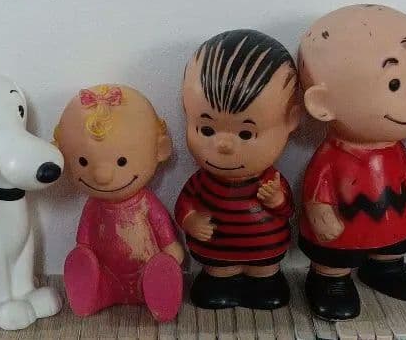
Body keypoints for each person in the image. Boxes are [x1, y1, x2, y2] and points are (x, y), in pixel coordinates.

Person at [298, 4, 406, 320]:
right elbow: (317, 189)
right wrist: (321, 212)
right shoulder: (331, 156)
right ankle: (330, 279)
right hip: (342, 230)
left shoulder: (396, 150)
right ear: (322, 104)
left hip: (391, 219)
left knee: (393, 246)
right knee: (333, 257)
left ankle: (387, 268)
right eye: (394, 84)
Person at [175, 29, 301, 310]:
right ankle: (220, 281)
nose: (223, 145)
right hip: (216, 253)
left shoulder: (272, 180)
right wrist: (190, 220)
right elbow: (185, 204)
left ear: (291, 120)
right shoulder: (200, 182)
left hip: (265, 252)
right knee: (219, 275)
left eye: (246, 133)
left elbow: (288, 210)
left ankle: (265, 282)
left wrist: (277, 200)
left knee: (265, 279)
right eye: (206, 129)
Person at [55, 84, 184, 322]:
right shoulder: (93, 206)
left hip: (146, 269)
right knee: (95, 273)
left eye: (121, 161)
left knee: (157, 271)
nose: (102, 175)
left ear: (160, 149)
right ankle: (94, 292)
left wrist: (170, 246)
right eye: (83, 161)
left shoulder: (145, 203)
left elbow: (161, 225)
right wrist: (83, 252)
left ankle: (159, 290)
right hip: (108, 272)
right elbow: (84, 240)